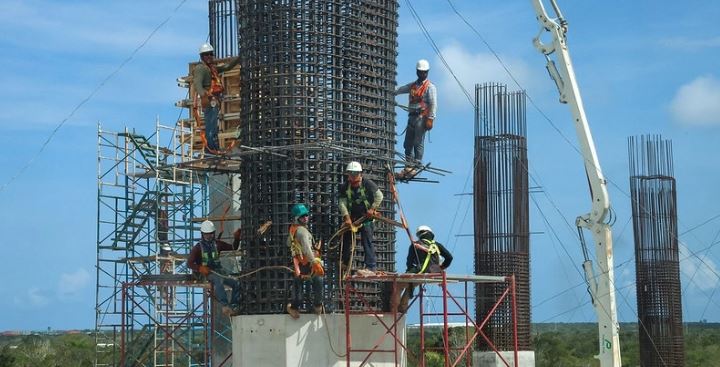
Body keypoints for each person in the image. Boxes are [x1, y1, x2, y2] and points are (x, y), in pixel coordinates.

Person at [192, 43, 240, 153]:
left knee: (214, 127)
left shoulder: (211, 68)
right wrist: (204, 95)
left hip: (214, 101)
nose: (209, 56)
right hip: (210, 101)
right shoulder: (201, 68)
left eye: (211, 54)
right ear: (202, 56)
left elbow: (227, 67)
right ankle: (211, 150)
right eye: (206, 55)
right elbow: (197, 84)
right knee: (211, 127)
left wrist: (239, 58)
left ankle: (214, 147)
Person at [393, 225, 453, 313]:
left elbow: (409, 262)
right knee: (411, 285)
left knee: (398, 284)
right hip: (435, 273)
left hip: (420, 271)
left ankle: (395, 310)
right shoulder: (437, 245)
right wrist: (441, 267)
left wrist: (409, 272)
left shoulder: (415, 245)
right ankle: (402, 308)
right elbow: (449, 257)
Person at [187, 220, 242, 316]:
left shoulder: (218, 244)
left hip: (218, 270)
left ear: (214, 233)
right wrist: (200, 268)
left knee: (236, 283)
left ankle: (234, 305)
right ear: (202, 234)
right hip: (206, 273)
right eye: (206, 234)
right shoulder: (198, 248)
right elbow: (189, 263)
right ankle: (225, 305)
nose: (209, 236)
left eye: (211, 234)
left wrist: (236, 238)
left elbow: (233, 247)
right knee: (218, 280)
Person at [338, 161, 384, 275]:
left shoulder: (367, 184)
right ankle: (345, 262)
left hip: (366, 218)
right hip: (353, 219)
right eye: (351, 174)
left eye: (355, 174)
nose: (353, 176)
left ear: (360, 174)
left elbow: (379, 196)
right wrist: (346, 217)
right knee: (345, 238)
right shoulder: (345, 187)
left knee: (367, 241)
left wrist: (372, 209)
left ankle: (371, 266)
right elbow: (342, 203)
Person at [395, 59, 437, 175]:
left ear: (427, 72)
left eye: (424, 72)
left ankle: (416, 165)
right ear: (417, 72)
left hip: (421, 118)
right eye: (420, 72)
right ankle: (409, 165)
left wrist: (431, 119)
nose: (422, 74)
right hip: (412, 117)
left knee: (417, 142)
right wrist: (391, 91)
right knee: (407, 143)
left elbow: (433, 103)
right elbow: (400, 89)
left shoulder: (430, 87)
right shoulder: (413, 85)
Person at [286, 204, 325, 319]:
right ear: (297, 218)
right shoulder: (302, 231)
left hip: (298, 263)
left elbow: (288, 243)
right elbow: (307, 249)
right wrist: (314, 262)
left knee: (298, 287)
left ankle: (294, 308)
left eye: (306, 215)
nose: (306, 218)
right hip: (307, 263)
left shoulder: (293, 230)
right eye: (303, 216)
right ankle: (318, 306)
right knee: (318, 280)